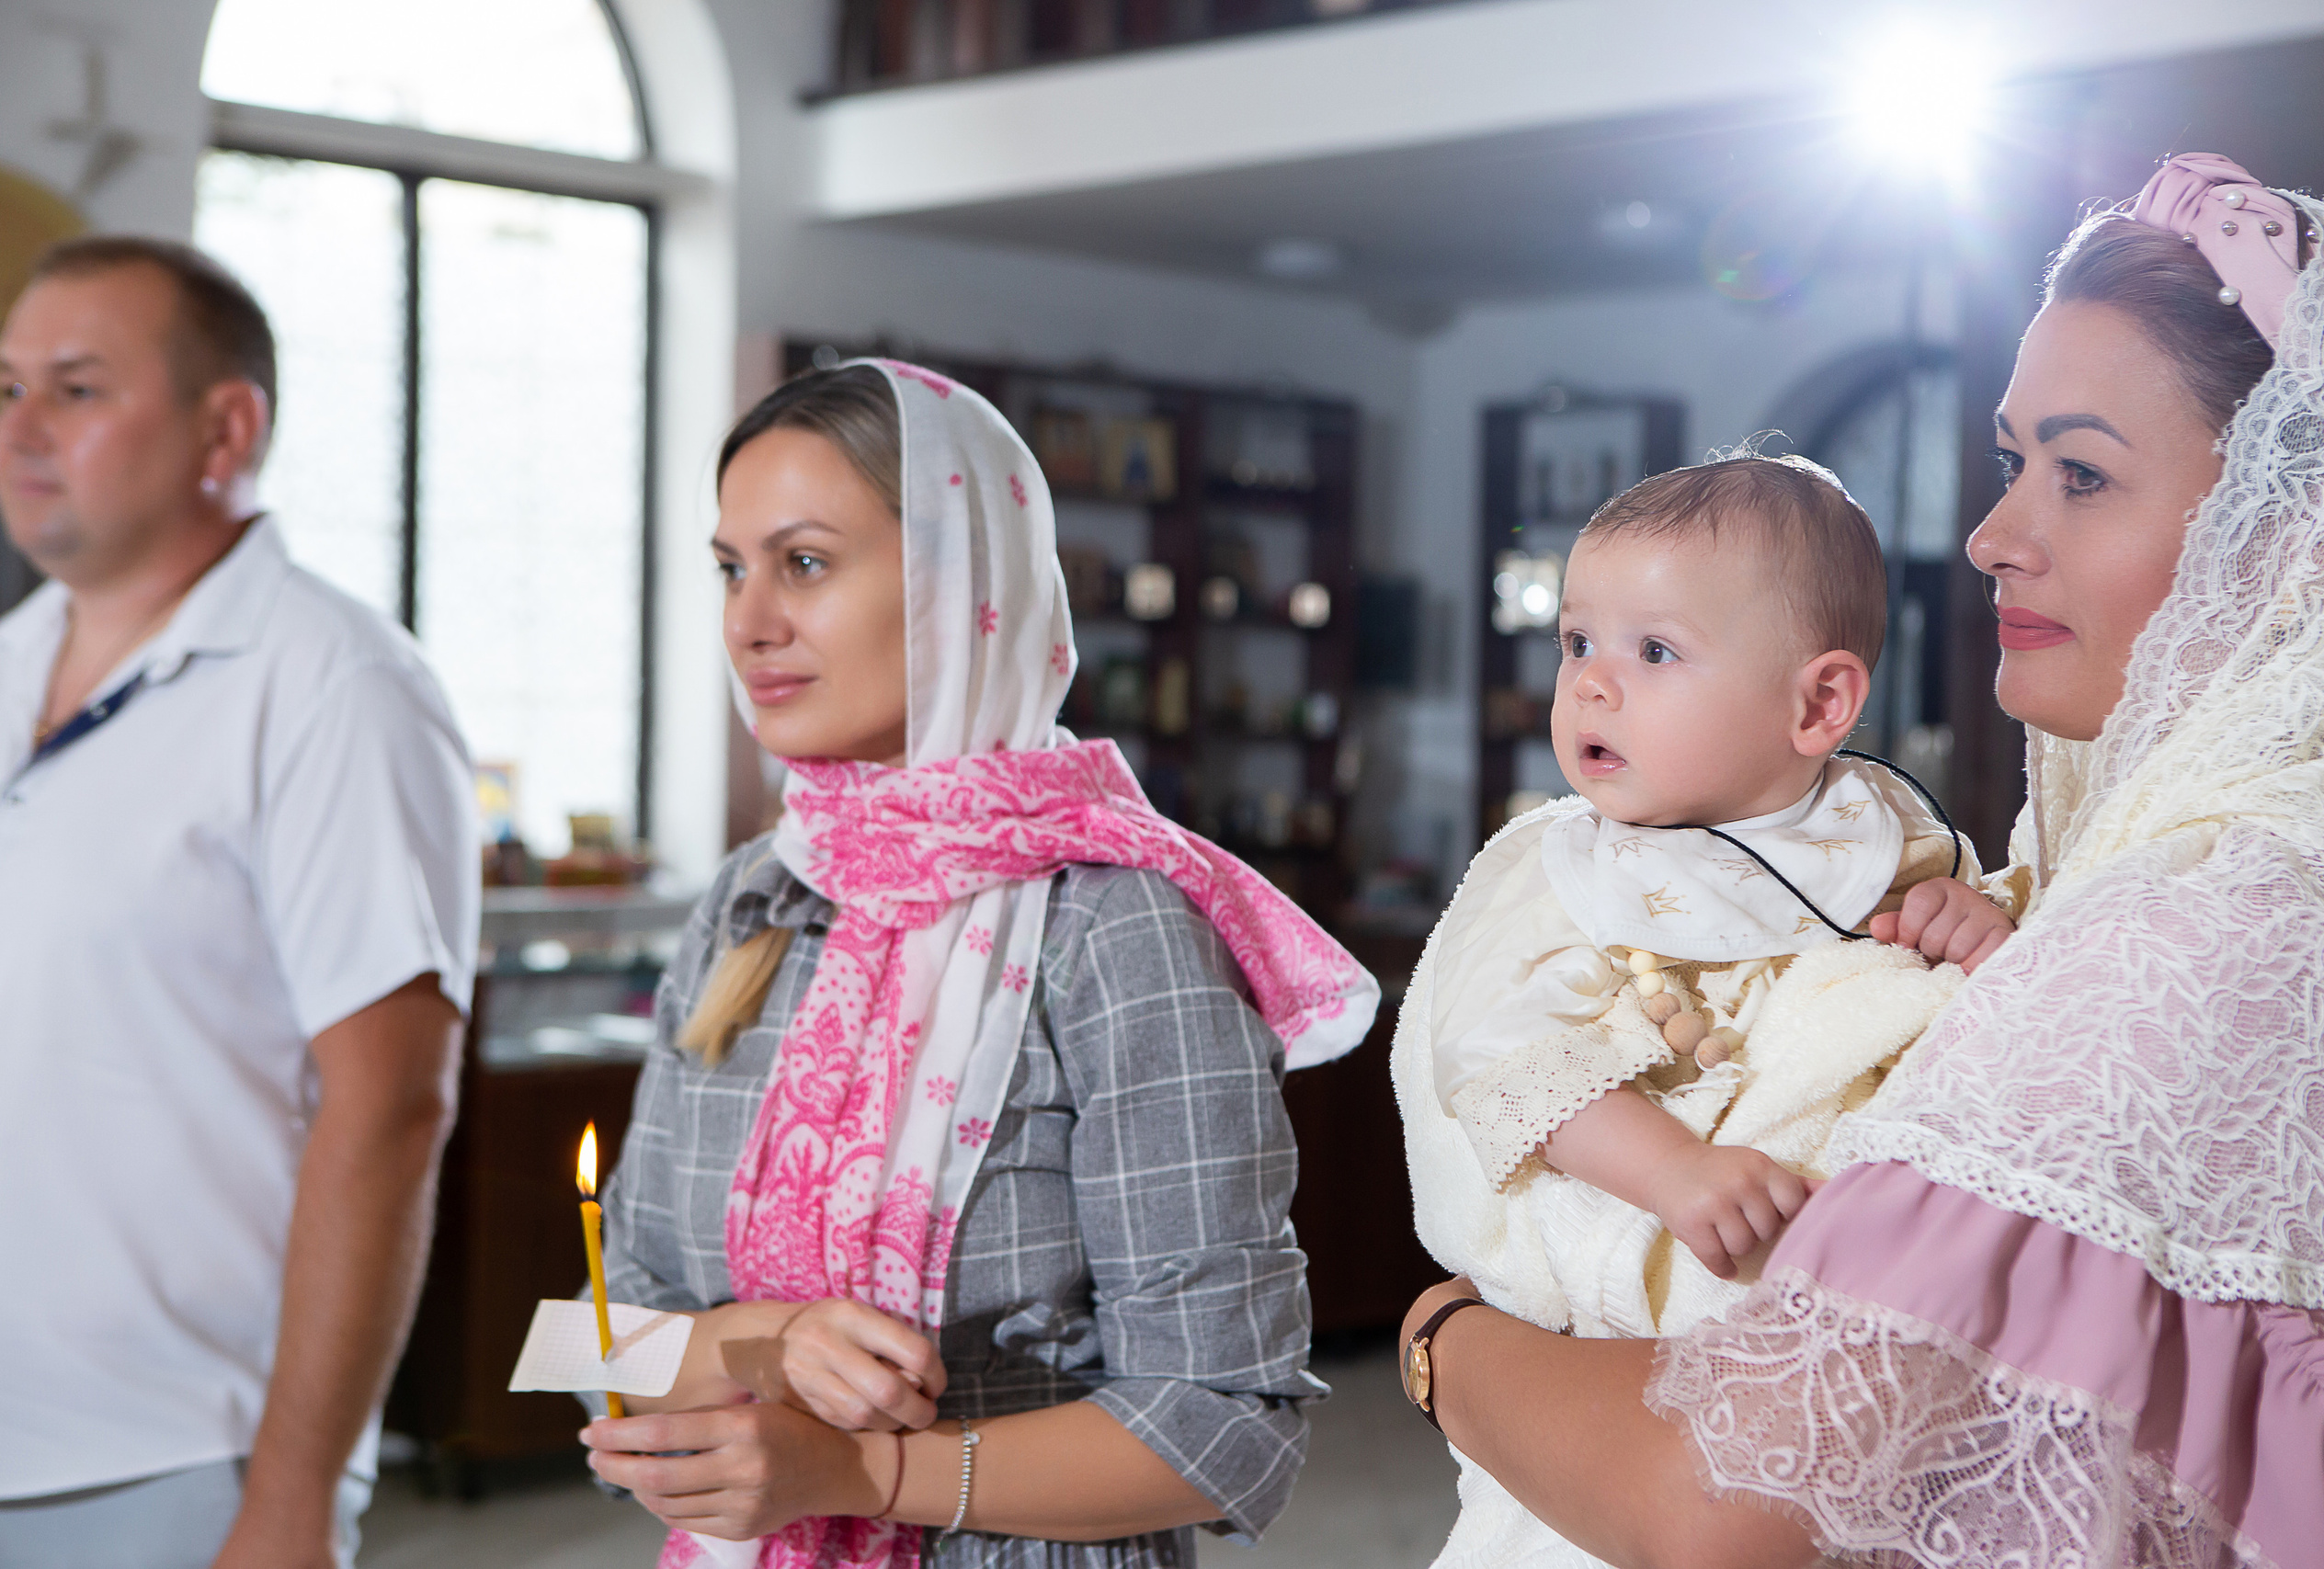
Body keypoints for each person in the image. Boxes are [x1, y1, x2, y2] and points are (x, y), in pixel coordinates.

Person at [1396, 152, 2324, 1569]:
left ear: (2294, 540)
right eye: (2012, 461)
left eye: (2082, 475)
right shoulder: (2184, 877)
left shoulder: (2211, 913)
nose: (1993, 534)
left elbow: (1721, 1505)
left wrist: (1439, 1334)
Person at [576, 359, 1377, 1569]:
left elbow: (1223, 1427)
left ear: (964, 586)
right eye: (731, 567)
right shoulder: (752, 899)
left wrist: (858, 1472)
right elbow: (596, 1337)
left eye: (803, 562)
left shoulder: (1114, 924)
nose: (749, 621)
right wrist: (766, 1341)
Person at [1396, 453, 2014, 1568]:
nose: (1591, 683)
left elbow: (1928, 938)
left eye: (1654, 651)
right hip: (1603, 1335)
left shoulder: (1871, 834)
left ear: (1818, 704)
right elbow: (1498, 1058)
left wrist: (1955, 922)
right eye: (1576, 642)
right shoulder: (1554, 872)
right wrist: (1668, 1171)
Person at [0, 237, 478, 1569]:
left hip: (168, 1454)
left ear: (228, 425)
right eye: (6, 386)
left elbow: (389, 1106)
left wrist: (290, 1498)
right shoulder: (12, 658)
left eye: (77, 389)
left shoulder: (336, 685)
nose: (23, 428)